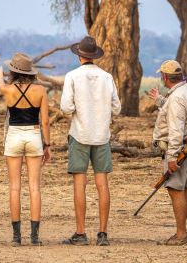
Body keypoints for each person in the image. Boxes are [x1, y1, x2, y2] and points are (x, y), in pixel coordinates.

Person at [60, 36, 121, 246]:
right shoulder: (107, 77)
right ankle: (103, 233)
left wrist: (81, 109)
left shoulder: (72, 76)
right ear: (94, 55)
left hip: (80, 134)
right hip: (101, 135)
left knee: (80, 183)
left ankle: (80, 232)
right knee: (102, 184)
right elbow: (117, 108)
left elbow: (66, 108)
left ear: (79, 55)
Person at [0, 53, 51, 246]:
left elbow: (0, 86)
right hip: (34, 135)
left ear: (13, 71)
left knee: (14, 187)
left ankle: (16, 237)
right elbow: (44, 120)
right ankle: (35, 237)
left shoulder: (8, 90)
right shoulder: (40, 90)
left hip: (14, 136)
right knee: (34, 187)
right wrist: (48, 144)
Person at [147, 60, 187, 246]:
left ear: (164, 77)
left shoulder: (177, 97)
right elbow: (177, 111)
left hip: (180, 148)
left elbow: (176, 129)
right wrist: (161, 101)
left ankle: (181, 235)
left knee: (175, 189)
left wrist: (172, 157)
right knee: (184, 188)